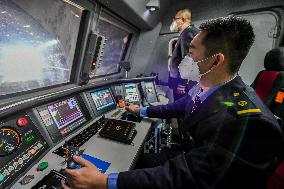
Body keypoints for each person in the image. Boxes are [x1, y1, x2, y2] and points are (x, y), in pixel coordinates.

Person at [61, 16, 283, 189]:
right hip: (191, 157)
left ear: (215, 61)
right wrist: (141, 110)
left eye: (191, 52)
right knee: (140, 161)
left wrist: (102, 182)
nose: (185, 58)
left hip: (200, 176)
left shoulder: (248, 122)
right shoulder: (208, 84)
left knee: (126, 169)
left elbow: (186, 177)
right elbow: (180, 106)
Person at [168, 8, 199, 101]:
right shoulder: (187, 32)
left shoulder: (188, 32)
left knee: (181, 109)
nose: (173, 21)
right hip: (184, 80)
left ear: (183, 20)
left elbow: (190, 59)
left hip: (184, 83)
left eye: (175, 19)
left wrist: (182, 83)